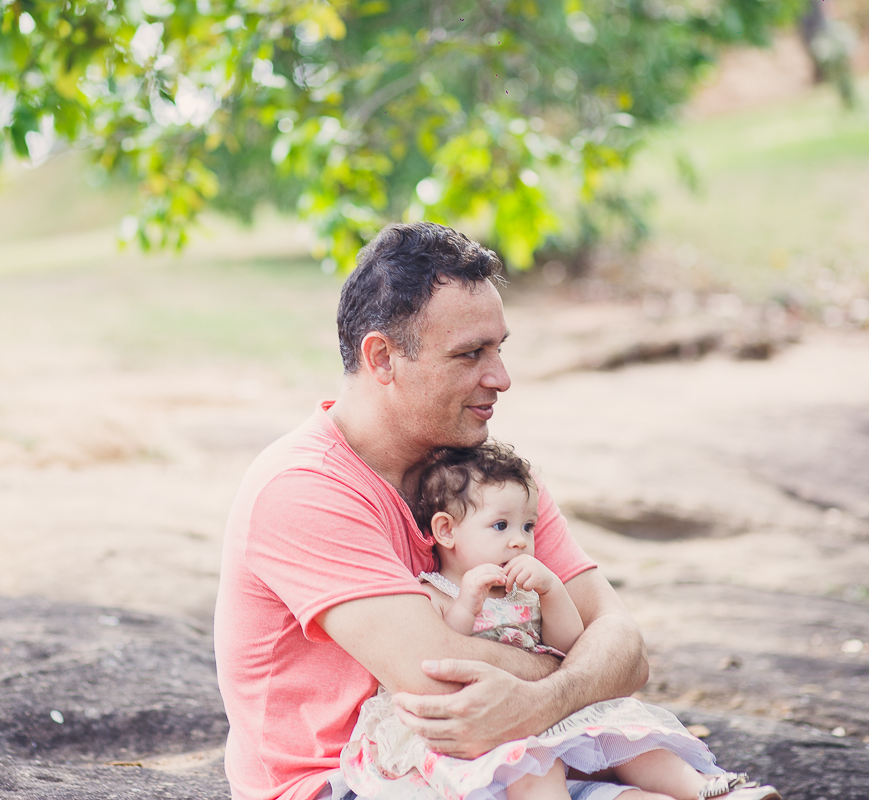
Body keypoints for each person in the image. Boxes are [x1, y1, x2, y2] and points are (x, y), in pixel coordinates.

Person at [214, 222, 646, 800]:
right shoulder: (302, 487)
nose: (501, 378)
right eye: (470, 353)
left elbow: (626, 646)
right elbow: (436, 680)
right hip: (348, 783)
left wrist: (544, 700)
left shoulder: (492, 482)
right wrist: (579, 670)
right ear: (382, 357)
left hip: (509, 762)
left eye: (498, 349)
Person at [339, 444, 780, 800]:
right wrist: (468, 601)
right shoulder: (436, 591)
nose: (520, 540)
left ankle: (704, 789)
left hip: (543, 710)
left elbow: (570, 644)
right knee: (535, 765)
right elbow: (442, 649)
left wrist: (552, 592)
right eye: (500, 526)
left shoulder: (524, 589)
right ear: (446, 531)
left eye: (528, 527)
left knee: (628, 735)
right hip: (481, 724)